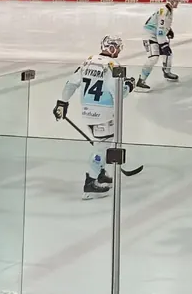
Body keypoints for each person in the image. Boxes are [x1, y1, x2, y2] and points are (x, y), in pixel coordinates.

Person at [53, 35, 133, 198]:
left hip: (87, 111)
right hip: (104, 113)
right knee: (102, 148)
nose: (118, 51)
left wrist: (62, 102)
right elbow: (118, 93)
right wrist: (129, 86)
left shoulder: (88, 62)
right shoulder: (112, 65)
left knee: (102, 144)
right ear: (112, 48)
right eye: (118, 47)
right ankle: (91, 182)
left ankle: (101, 173)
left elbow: (71, 83)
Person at [136, 0, 179, 90]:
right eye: (176, 1)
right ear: (171, 1)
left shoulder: (168, 10)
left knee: (168, 54)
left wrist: (169, 30)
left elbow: (161, 24)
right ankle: (140, 81)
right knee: (153, 58)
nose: (177, 3)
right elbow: (160, 30)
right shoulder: (164, 11)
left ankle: (167, 72)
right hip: (149, 35)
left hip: (156, 34)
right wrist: (163, 45)